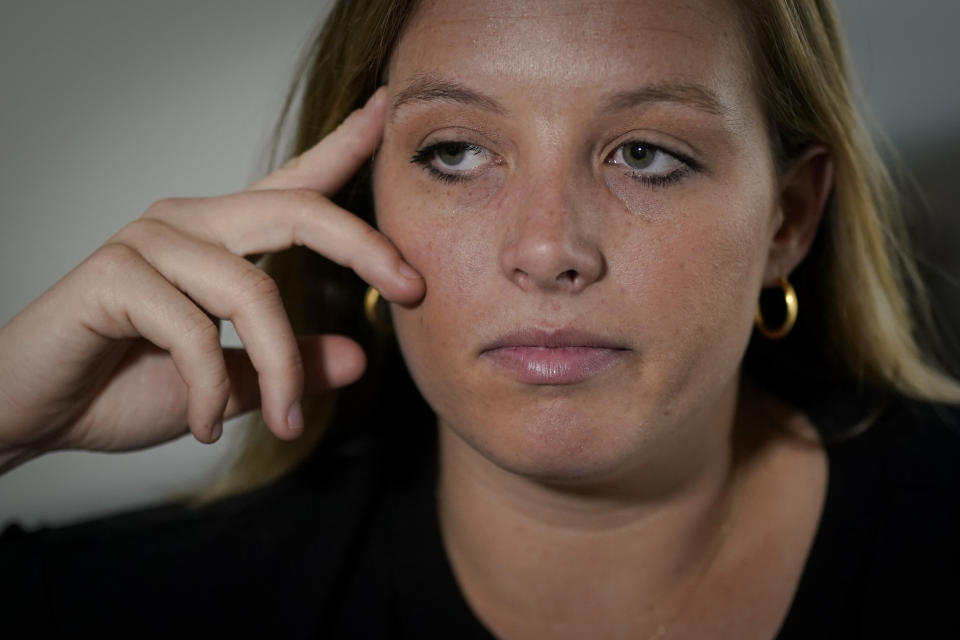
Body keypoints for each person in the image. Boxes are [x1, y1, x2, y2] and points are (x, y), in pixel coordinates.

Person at [2, 0, 959, 637]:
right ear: (359, 214)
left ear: (787, 221)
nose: (547, 250)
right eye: (457, 154)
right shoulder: (170, 606)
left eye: (646, 155)